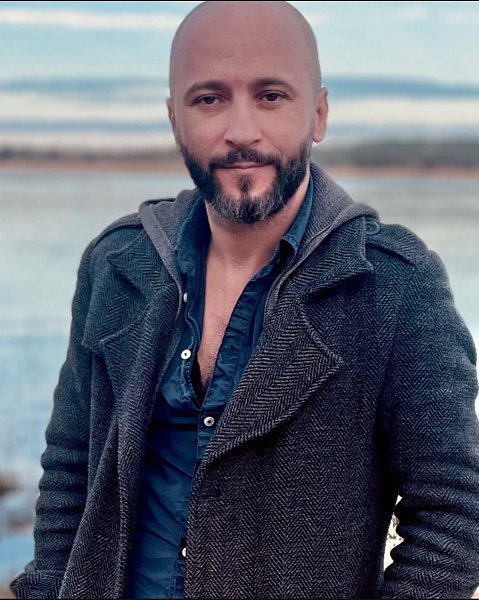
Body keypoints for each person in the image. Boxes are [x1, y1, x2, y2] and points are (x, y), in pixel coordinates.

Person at [11, 1, 479, 598]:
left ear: (318, 114)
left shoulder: (394, 285)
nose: (241, 131)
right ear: (174, 119)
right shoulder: (117, 264)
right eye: (209, 99)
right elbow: (70, 473)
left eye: (270, 96)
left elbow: (453, 518)